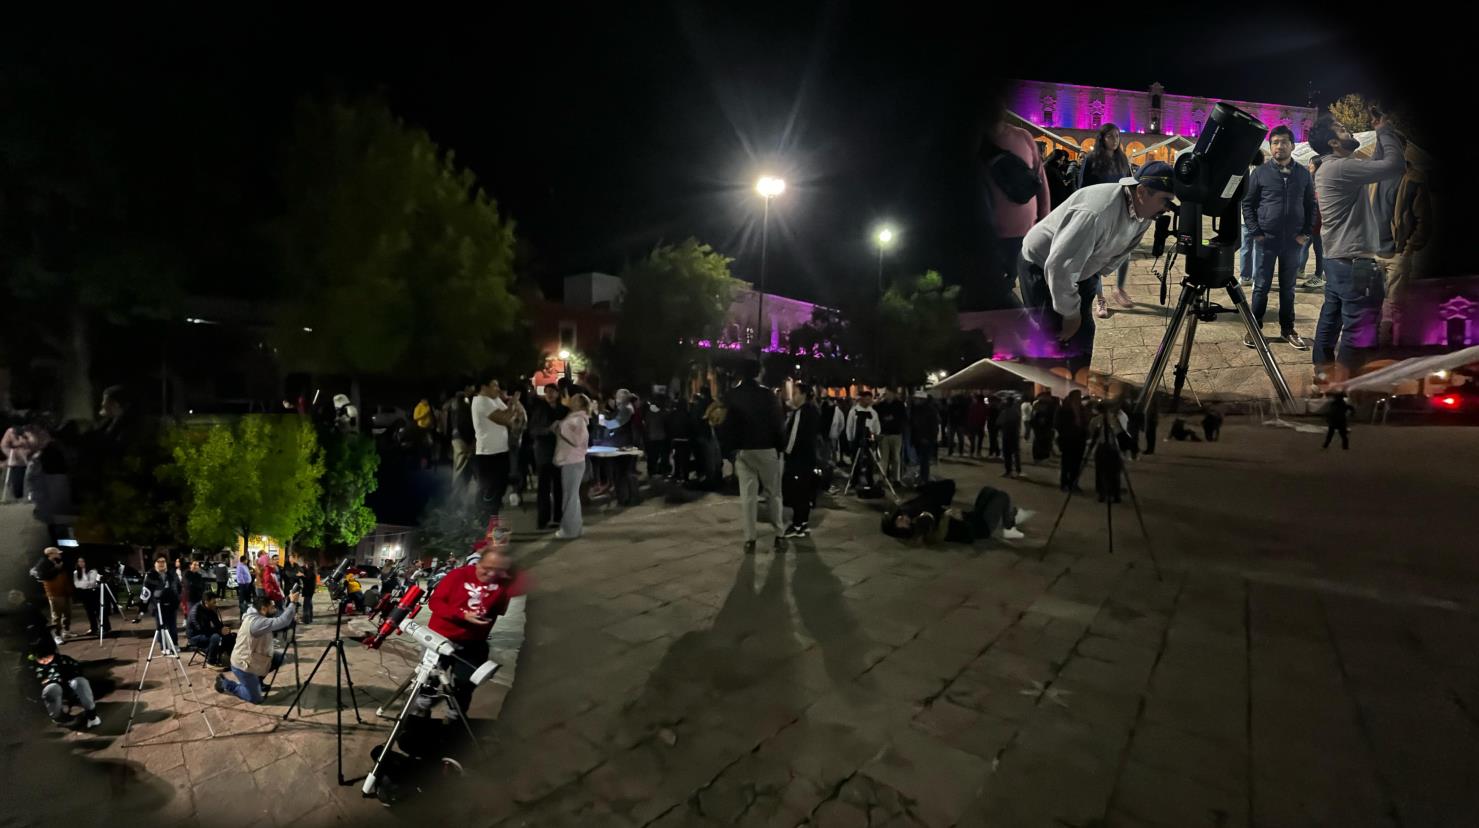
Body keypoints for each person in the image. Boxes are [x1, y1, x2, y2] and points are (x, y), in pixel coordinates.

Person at [1021, 161, 1175, 374]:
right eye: (1165, 200)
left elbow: (1124, 248)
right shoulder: (1097, 212)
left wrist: (1097, 274)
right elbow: (1059, 267)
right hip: (1041, 264)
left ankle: (1076, 385)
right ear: (1141, 191)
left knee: (1083, 332)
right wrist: (1070, 313)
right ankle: (1048, 392)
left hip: (1081, 268)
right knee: (1053, 333)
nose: (1167, 208)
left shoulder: (1144, 213)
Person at [1309, 111, 1407, 375]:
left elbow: (1376, 167)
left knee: (1332, 315)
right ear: (1332, 142)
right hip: (1355, 264)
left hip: (1336, 259)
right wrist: (1385, 130)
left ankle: (1322, 369)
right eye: (1341, 129)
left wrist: (1378, 132)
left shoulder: (1332, 167)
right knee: (1358, 328)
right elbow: (1395, 166)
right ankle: (1344, 387)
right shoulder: (1341, 167)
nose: (1348, 131)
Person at [425, 545, 520, 721]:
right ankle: (418, 717)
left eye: (498, 570)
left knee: (465, 686)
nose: (491, 575)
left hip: (473, 643)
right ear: (478, 563)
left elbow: (498, 610)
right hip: (441, 638)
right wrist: (462, 614)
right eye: (487, 568)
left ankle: (454, 720)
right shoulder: (457, 575)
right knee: (428, 682)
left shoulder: (502, 585)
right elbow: (435, 603)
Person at [1242, 126, 1315, 351]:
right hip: (1267, 240)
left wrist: (1305, 233)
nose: (1279, 146)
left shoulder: (1303, 173)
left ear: (1292, 146)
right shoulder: (1260, 173)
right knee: (1261, 286)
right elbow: (1248, 204)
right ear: (1270, 146)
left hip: (1293, 242)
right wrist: (1256, 232)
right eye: (1274, 142)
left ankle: (1288, 329)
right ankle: (1255, 328)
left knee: (1288, 287)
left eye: (1283, 142)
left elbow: (1310, 205)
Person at [981, 101, 1052, 307]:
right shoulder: (973, 139)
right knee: (998, 291)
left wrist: (1045, 220)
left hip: (1027, 233)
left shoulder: (1023, 137)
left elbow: (1040, 180)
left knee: (1034, 287)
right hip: (988, 237)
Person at [722, 360, 786, 551]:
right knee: (773, 493)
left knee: (748, 496)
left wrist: (728, 453)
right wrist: (781, 448)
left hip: (743, 451)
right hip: (766, 448)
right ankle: (779, 534)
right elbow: (777, 423)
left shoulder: (732, 395)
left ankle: (750, 539)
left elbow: (727, 426)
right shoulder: (767, 395)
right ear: (758, 373)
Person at [1077, 123, 1137, 316]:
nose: (1115, 139)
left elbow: (1129, 184)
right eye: (1111, 136)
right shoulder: (1092, 159)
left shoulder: (1122, 159)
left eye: (1118, 136)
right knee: (1096, 256)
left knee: (1124, 251)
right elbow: (1082, 188)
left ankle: (1119, 289)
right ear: (1102, 138)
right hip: (1098, 213)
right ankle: (1100, 299)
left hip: (1120, 212)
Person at [217, 588, 300, 704]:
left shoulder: (258, 615)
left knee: (278, 658)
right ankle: (225, 683)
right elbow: (282, 621)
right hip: (243, 665)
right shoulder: (256, 623)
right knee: (256, 699)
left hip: (254, 659)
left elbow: (281, 621)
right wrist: (293, 603)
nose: (274, 609)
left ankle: (257, 682)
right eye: (272, 607)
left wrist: (290, 615)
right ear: (263, 609)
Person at [472, 378, 516, 518]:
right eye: (494, 385)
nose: (498, 388)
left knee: (499, 489)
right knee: (489, 491)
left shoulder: (493, 400)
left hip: (501, 451)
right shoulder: (481, 401)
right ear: (484, 387)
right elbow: (506, 419)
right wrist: (513, 403)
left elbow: (512, 416)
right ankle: (482, 524)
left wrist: (513, 407)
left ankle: (491, 524)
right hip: (488, 454)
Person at [26, 646, 100, 728]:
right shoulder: (32, 667)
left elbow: (77, 670)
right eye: (41, 659)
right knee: (52, 688)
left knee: (80, 682)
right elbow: (29, 685)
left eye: (48, 657)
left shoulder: (63, 660)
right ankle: (59, 717)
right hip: (49, 693)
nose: (45, 660)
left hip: (68, 686)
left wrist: (68, 678)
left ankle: (92, 715)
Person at [782, 384, 820, 538]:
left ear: (803, 395)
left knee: (797, 491)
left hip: (798, 459)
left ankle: (797, 524)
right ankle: (803, 523)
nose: (793, 397)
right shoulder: (814, 411)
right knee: (805, 491)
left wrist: (786, 453)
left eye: (796, 393)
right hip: (809, 457)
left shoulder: (801, 413)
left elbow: (792, 438)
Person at [527, 384, 568, 530]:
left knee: (558, 486)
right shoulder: (539, 409)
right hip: (543, 452)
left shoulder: (563, 410)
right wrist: (548, 430)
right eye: (547, 392)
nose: (549, 394)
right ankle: (543, 519)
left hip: (559, 451)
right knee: (543, 487)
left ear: (558, 393)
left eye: (552, 391)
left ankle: (558, 517)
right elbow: (533, 430)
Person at [554, 394, 591, 539]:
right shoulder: (575, 418)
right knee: (573, 497)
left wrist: (561, 430)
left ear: (579, 404)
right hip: (572, 460)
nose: (571, 400)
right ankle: (575, 527)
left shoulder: (578, 420)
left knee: (570, 497)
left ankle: (569, 531)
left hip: (572, 461)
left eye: (574, 399)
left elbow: (576, 440)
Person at [1239, 151, 1267, 288]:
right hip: (1260, 217)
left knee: (1245, 248)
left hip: (1245, 217)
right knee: (1259, 249)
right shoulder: (1265, 173)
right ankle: (1257, 279)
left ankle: (1245, 277)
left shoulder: (1242, 172)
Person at [33, 546, 71, 645]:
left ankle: (66, 631)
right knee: (56, 615)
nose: (59, 554)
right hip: (55, 593)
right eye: (57, 552)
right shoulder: (43, 563)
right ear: (51, 554)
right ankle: (57, 635)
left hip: (65, 591)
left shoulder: (58, 561)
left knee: (67, 613)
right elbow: (42, 576)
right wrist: (56, 569)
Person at [142, 556, 181, 648]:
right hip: (157, 606)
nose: (161, 564)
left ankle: (174, 644)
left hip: (172, 605)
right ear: (155, 563)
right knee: (161, 627)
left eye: (163, 561)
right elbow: (146, 592)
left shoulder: (172, 574)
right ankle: (164, 646)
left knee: (173, 626)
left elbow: (178, 587)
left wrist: (176, 598)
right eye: (158, 562)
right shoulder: (150, 575)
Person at [845, 391, 881, 488]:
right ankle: (854, 480)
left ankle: (870, 480)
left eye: (870, 399)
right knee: (855, 461)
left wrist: (875, 435)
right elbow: (849, 426)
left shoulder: (873, 412)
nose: (868, 401)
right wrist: (850, 439)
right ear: (862, 399)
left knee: (870, 461)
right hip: (856, 439)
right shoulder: (854, 411)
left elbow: (877, 426)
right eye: (866, 399)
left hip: (869, 440)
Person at [447, 382, 477, 496]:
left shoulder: (453, 401)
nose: (474, 389)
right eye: (472, 386)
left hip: (456, 437)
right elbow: (463, 421)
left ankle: (458, 498)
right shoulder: (462, 400)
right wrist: (469, 441)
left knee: (460, 468)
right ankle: (456, 500)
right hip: (462, 439)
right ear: (467, 387)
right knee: (460, 469)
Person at [187, 593, 232, 668]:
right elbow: (201, 629)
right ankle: (211, 662)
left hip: (206, 633)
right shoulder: (195, 611)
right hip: (195, 636)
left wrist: (224, 629)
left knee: (230, 635)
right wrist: (219, 631)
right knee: (215, 637)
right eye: (213, 602)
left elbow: (217, 624)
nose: (215, 604)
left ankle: (229, 657)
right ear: (206, 602)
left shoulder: (210, 609)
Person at [1056, 391, 1088, 492]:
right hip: (1067, 439)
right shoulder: (1063, 409)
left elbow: (1086, 422)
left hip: (1079, 440)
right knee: (1066, 463)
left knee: (1077, 463)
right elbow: (1057, 424)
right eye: (1077, 397)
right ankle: (1064, 483)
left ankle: (1074, 483)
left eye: (1080, 397)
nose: (1079, 399)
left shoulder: (1082, 409)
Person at [874, 389, 907, 485]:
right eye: (885, 394)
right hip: (884, 434)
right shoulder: (881, 405)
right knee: (884, 458)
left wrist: (894, 420)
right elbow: (876, 415)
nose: (887, 396)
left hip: (896, 434)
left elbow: (903, 418)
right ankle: (882, 477)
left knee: (896, 457)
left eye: (889, 394)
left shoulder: (899, 405)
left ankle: (896, 479)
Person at [908, 391, 940, 485]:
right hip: (918, 438)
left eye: (916, 399)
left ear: (921, 400)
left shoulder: (930, 410)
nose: (914, 400)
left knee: (924, 460)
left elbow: (933, 426)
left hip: (926, 439)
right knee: (921, 460)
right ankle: (922, 477)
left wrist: (928, 438)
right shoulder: (916, 409)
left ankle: (924, 479)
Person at [73, 556, 108, 638]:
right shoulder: (76, 572)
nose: (81, 563)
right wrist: (85, 583)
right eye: (79, 562)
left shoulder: (92, 571)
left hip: (93, 592)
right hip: (84, 593)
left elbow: (92, 583)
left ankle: (105, 627)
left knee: (98, 610)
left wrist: (84, 583)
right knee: (89, 612)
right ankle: (93, 628)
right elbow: (76, 584)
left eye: (83, 561)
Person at [2, 423, 32, 503]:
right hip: (15, 460)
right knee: (16, 480)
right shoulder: (10, 432)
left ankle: (27, 496)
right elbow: (4, 445)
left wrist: (26, 451)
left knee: (27, 478)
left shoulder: (27, 431)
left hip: (25, 459)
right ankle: (16, 496)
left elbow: (32, 444)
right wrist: (11, 454)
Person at [643, 395, 670, 479]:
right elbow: (666, 425)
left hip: (652, 437)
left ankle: (651, 471)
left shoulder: (649, 414)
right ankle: (663, 471)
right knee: (663, 455)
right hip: (661, 437)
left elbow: (646, 427)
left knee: (652, 456)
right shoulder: (663, 414)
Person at [997, 395, 1023, 478]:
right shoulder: (1016, 411)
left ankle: (1009, 471)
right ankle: (1018, 470)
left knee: (1007, 453)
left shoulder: (1004, 412)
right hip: (1014, 434)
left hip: (1007, 434)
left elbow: (998, 422)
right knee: (1015, 453)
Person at [1030, 393, 1056, 464]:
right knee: (1039, 440)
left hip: (1046, 426)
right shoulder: (1037, 404)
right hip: (1039, 426)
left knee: (1046, 441)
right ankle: (1038, 457)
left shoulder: (1051, 405)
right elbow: (1034, 415)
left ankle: (1044, 456)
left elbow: (1052, 415)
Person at [970, 393, 991, 458]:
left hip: (973, 424)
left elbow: (970, 416)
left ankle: (972, 452)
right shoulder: (985, 406)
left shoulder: (973, 406)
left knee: (973, 440)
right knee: (980, 440)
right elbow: (987, 415)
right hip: (981, 424)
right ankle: (978, 452)